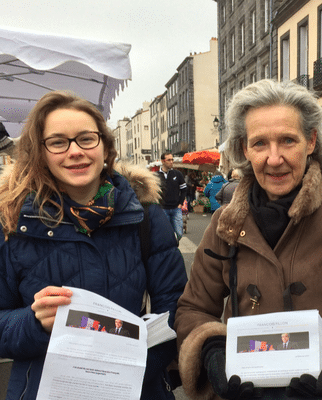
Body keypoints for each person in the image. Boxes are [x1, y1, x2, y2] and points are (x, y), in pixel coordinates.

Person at [175, 79, 322, 400]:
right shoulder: (224, 223)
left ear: (310, 141)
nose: (274, 158)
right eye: (260, 143)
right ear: (244, 148)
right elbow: (193, 308)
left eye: (288, 140)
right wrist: (211, 350)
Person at [0, 91, 187, 400]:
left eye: (86, 139)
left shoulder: (145, 215)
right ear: (41, 152)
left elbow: (175, 306)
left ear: (104, 146)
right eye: (58, 142)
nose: (75, 152)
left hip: (136, 388)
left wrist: (135, 370)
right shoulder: (11, 220)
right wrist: (33, 323)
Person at [156, 152, 187, 240]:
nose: (171, 162)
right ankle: (171, 250)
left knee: (179, 233)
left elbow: (184, 189)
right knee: (165, 234)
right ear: (163, 161)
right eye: (169, 160)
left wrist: (180, 203)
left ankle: (173, 246)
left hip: (176, 209)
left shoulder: (177, 174)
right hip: (163, 209)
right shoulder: (156, 175)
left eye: (172, 159)